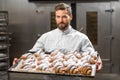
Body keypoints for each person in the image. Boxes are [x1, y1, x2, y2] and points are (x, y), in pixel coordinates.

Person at [13, 3, 102, 80]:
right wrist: (20, 61)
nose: (61, 20)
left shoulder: (81, 38)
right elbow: (33, 54)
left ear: (71, 17)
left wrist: (98, 60)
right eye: (58, 17)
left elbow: (92, 56)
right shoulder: (46, 37)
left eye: (64, 17)